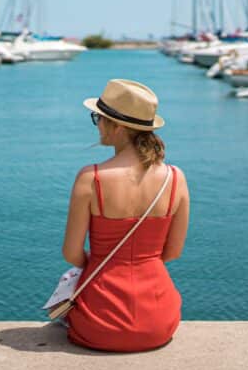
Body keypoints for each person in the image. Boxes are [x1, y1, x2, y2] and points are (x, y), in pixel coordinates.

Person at [61, 78, 189, 352]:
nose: (98, 125)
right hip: (158, 321)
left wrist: (100, 266)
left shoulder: (91, 178)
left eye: (99, 118)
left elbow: (72, 253)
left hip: (99, 320)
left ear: (117, 128)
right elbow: (174, 252)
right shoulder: (175, 178)